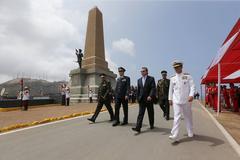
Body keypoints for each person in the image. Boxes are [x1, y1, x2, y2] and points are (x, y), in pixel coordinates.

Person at [168, 60, 195, 142]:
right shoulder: (172, 78)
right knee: (177, 117)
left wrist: (191, 95)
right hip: (176, 100)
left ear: (181, 67)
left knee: (188, 116)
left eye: (178, 67)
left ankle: (190, 131)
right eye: (175, 68)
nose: (176, 69)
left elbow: (192, 86)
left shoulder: (188, 76)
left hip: (186, 100)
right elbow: (170, 90)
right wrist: (170, 99)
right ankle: (175, 134)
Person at [132, 67, 156, 133]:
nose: (142, 72)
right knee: (140, 114)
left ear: (147, 71)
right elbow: (138, 90)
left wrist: (150, 96)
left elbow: (153, 88)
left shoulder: (151, 79)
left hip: (149, 99)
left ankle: (151, 125)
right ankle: (138, 128)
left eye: (143, 71)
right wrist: (137, 98)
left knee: (150, 113)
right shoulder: (139, 80)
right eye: (141, 71)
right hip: (141, 100)